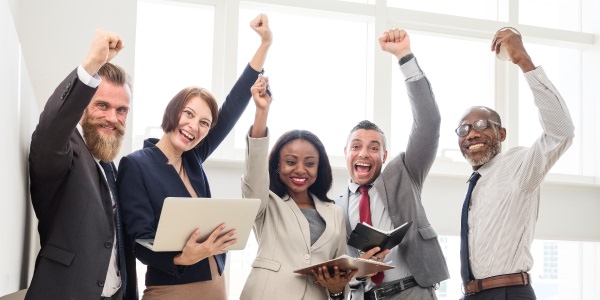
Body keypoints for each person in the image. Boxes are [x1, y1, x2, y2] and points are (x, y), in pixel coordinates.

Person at [116, 14, 272, 300]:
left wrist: (265, 44)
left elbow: (233, 104)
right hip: (171, 291)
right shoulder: (136, 164)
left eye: (204, 122)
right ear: (173, 111)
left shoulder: (193, 159)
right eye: (188, 114)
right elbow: (139, 240)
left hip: (215, 289)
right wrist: (181, 258)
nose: (194, 126)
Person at [240, 75, 386, 300]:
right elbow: (254, 170)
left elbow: (340, 272)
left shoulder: (334, 211)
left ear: (319, 168)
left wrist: (340, 284)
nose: (300, 170)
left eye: (309, 163)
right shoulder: (265, 202)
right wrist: (261, 112)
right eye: (290, 162)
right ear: (277, 165)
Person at [457, 28, 574, 299]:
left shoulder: (517, 165)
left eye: (481, 125)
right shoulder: (476, 183)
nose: (471, 133)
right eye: (463, 130)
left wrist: (524, 61)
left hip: (508, 292)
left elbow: (561, 133)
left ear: (502, 134)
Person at [337, 28, 449, 300]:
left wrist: (404, 57)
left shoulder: (404, 173)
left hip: (414, 291)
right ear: (345, 153)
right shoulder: (335, 204)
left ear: (384, 156)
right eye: (356, 146)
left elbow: (429, 123)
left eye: (374, 147)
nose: (364, 153)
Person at [27, 29, 137, 300]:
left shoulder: (111, 168)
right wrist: (91, 64)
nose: (113, 118)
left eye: (121, 110)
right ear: (83, 106)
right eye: (102, 105)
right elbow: (50, 131)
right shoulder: (65, 151)